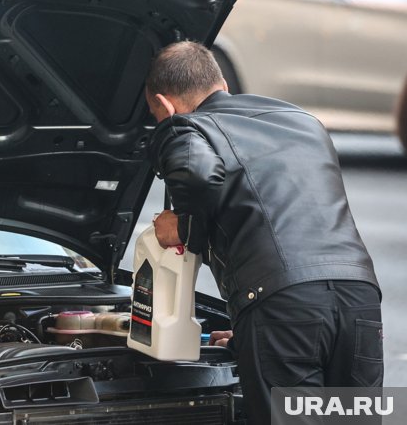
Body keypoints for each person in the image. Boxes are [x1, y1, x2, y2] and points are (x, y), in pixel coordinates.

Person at [145, 41, 383, 425]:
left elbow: (197, 175)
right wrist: (248, 336)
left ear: (165, 104)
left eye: (157, 115)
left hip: (284, 305)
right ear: (221, 85)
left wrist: (183, 226)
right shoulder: (300, 120)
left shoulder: (188, 127)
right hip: (359, 300)